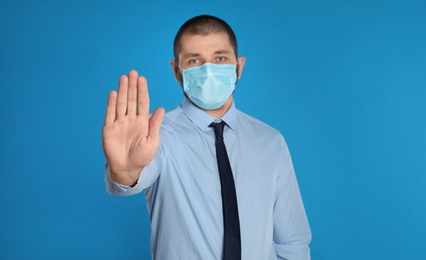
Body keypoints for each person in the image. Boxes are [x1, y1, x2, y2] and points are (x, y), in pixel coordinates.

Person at [102, 14, 311, 260]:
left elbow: (291, 240)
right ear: (176, 71)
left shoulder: (270, 141)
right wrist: (125, 171)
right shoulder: (156, 137)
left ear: (238, 66)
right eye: (194, 60)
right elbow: (127, 182)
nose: (209, 70)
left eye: (220, 58)